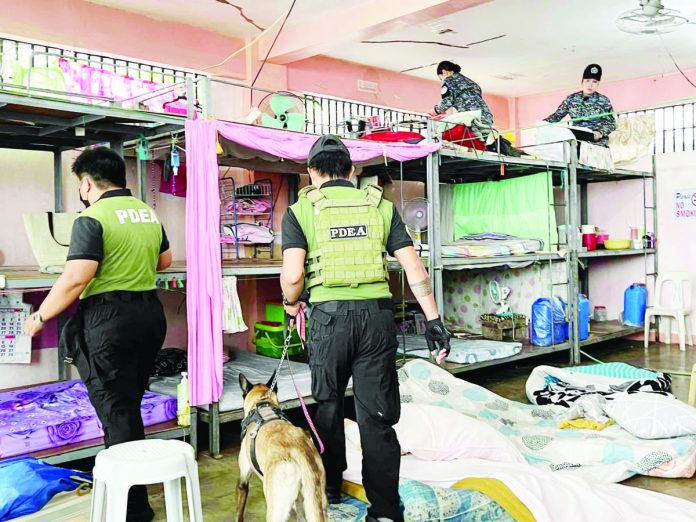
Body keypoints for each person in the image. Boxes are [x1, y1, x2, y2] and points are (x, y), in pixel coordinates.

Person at [280, 135, 450, 522]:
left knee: (327, 404)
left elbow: (292, 277)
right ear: (352, 171)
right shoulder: (381, 206)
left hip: (327, 318)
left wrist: (292, 304)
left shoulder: (301, 209)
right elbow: (414, 268)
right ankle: (386, 511)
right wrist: (434, 320)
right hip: (376, 318)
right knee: (376, 415)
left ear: (311, 172)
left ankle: (331, 487)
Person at [23, 147, 172, 522]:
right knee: (127, 406)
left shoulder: (92, 217)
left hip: (110, 321)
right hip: (148, 316)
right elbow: (164, 261)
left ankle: (132, 508)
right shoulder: (146, 212)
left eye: (80, 185)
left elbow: (77, 277)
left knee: (116, 410)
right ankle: (129, 491)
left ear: (87, 183)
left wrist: (40, 316)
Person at [544, 64, 616, 147]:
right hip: (576, 141)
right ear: (582, 81)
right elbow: (557, 116)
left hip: (596, 144)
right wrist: (542, 124)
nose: (590, 85)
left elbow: (611, 123)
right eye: (587, 81)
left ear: (598, 84)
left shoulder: (603, 100)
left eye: (594, 82)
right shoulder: (571, 99)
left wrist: (600, 133)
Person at [428, 60, 494, 137]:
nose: (442, 80)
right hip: (486, 117)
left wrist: (436, 110)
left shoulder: (449, 81)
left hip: (472, 118)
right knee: (483, 142)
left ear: (444, 72)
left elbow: (447, 101)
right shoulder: (470, 82)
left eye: (441, 78)